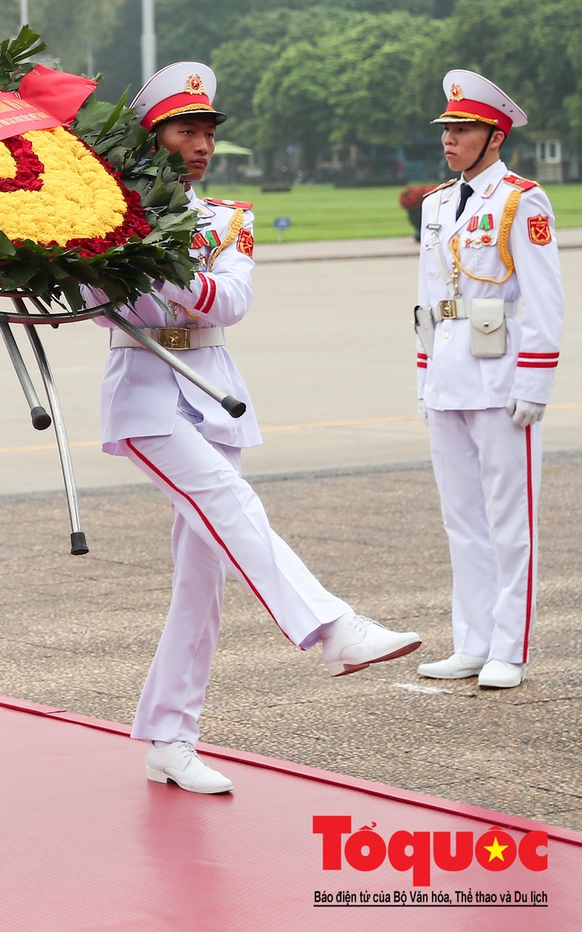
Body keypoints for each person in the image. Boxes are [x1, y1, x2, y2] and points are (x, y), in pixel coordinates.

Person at [97, 63, 422, 795]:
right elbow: (96, 300)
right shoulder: (106, 220)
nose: (203, 145)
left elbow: (229, 301)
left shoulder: (227, 218)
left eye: (209, 133)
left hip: (213, 391)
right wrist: (124, 249)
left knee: (202, 578)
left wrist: (151, 266)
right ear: (154, 139)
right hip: (145, 394)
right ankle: (333, 629)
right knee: (230, 503)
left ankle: (170, 736)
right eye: (188, 131)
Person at [413, 70, 562, 692]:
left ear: (494, 135)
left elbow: (543, 297)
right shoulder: (438, 202)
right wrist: (423, 373)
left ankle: (509, 647)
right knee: (462, 518)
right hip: (447, 372)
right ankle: (472, 642)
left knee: (509, 519)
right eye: (447, 128)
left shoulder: (521, 200)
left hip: (500, 376)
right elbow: (426, 295)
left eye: (464, 128)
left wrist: (534, 380)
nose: (450, 139)